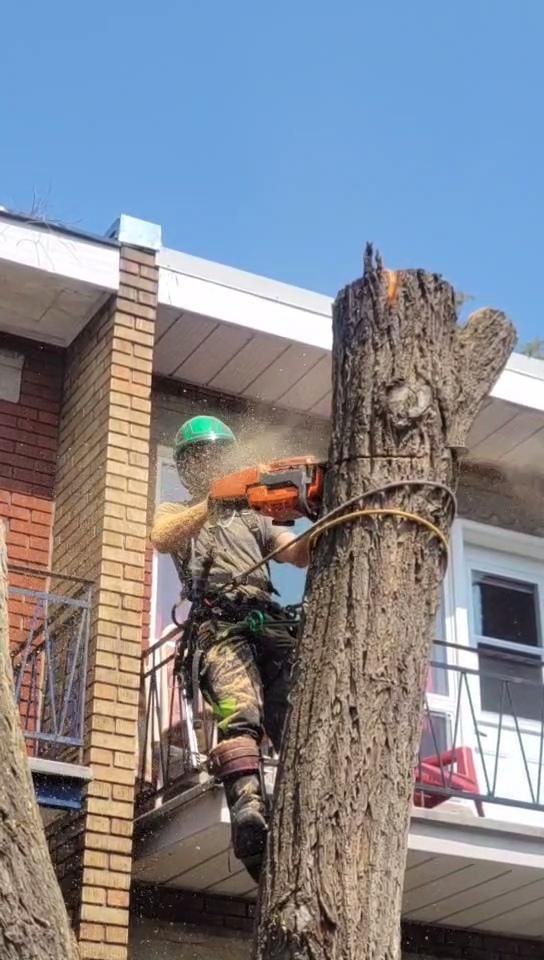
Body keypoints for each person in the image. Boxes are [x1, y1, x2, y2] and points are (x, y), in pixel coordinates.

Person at [150, 414, 309, 881]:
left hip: (266, 623)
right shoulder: (176, 510)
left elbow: (295, 554)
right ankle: (247, 809)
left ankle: (295, 814)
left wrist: (322, 518)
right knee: (240, 712)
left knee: (293, 720)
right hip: (220, 625)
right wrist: (212, 503)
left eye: (218, 456)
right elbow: (161, 537)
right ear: (187, 467)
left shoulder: (253, 515)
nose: (212, 463)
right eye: (202, 458)